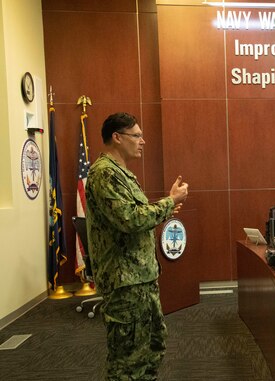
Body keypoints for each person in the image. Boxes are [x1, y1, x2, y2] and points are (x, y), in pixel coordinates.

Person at [86, 112, 189, 380]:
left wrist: (166, 204)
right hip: (125, 283)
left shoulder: (122, 174)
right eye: (137, 135)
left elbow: (135, 213)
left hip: (140, 279)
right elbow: (130, 219)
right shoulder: (104, 174)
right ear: (117, 138)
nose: (143, 141)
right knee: (128, 361)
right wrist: (169, 201)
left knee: (151, 348)